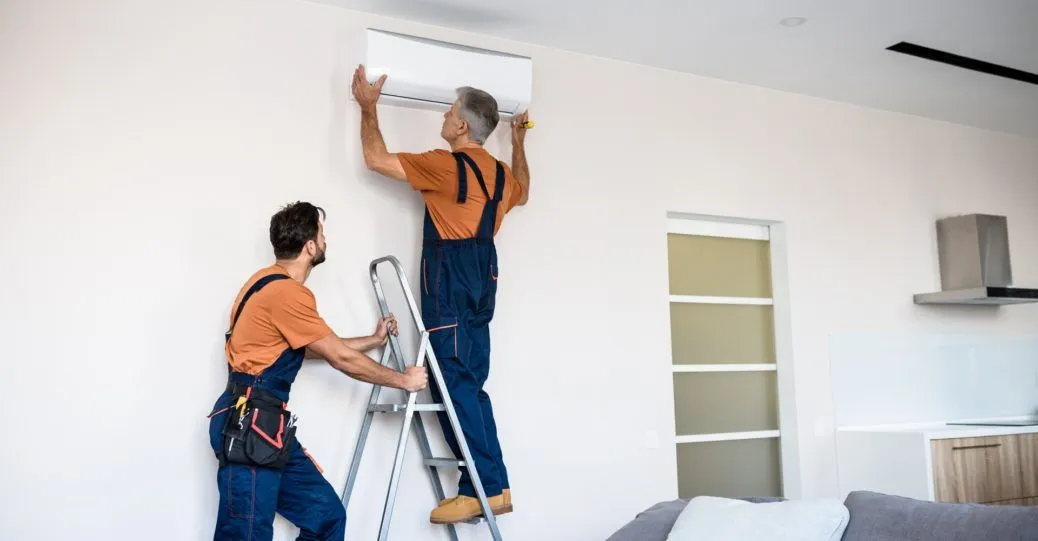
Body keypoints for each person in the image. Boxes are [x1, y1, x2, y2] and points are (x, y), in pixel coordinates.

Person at [350, 65, 531, 525]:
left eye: (450, 111)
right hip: (484, 278)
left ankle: (485, 488)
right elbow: (525, 193)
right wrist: (519, 145)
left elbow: (375, 158)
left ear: (463, 126)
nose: (446, 117)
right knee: (471, 385)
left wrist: (368, 108)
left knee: (452, 385)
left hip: (449, 283)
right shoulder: (503, 177)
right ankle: (493, 485)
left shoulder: (444, 164)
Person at [206, 201, 428, 541]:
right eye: (322, 234)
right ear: (310, 246)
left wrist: (372, 340)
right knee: (246, 535)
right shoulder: (288, 293)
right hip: (250, 426)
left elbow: (306, 349)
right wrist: (403, 380)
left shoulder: (261, 283)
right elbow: (339, 358)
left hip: (263, 425)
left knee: (325, 516)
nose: (325, 240)